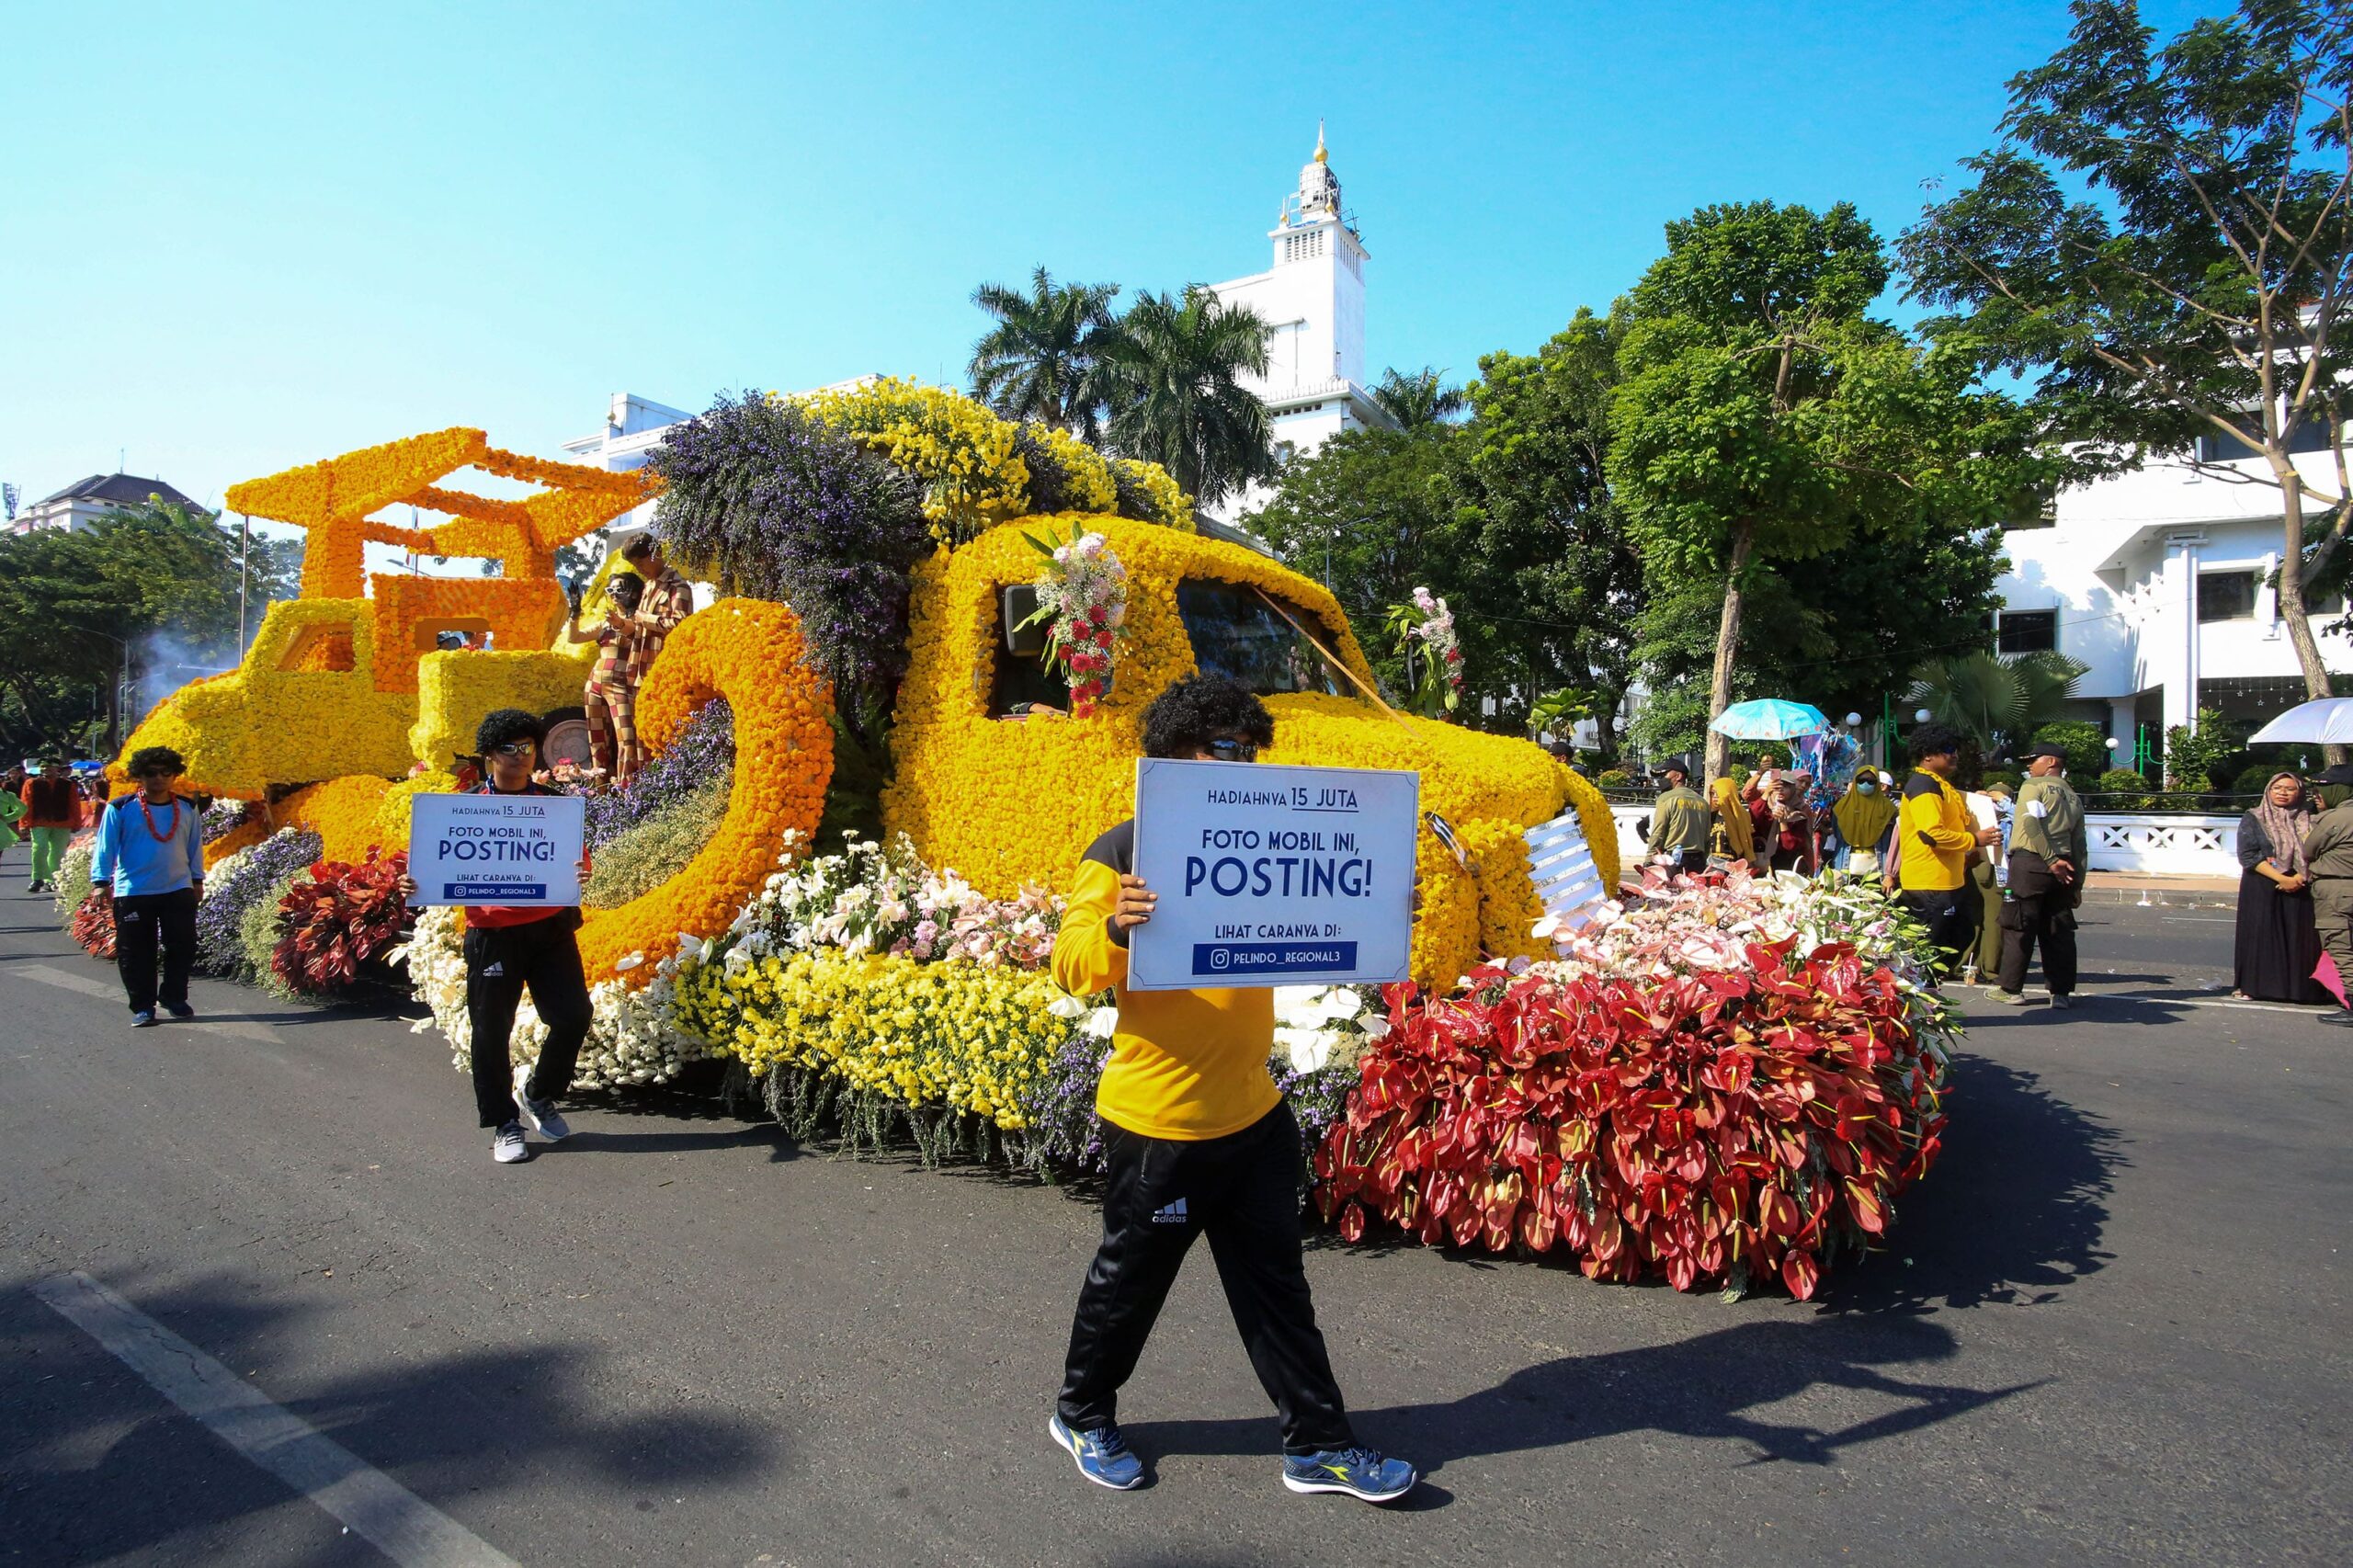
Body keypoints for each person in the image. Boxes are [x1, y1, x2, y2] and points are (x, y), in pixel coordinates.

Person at [1047, 674, 1415, 1504]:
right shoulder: (1122, 851)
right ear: (1176, 753)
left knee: (1277, 1287)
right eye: (1222, 747)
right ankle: (1082, 1412)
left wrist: (1381, 909)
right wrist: (1117, 928)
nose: (1239, 761)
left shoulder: (1269, 832)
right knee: (1129, 1286)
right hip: (1159, 1125)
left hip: (1253, 1113)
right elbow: (1070, 967)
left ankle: (1318, 1445)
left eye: (1248, 748)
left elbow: (1328, 913)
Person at [395, 710, 595, 1163]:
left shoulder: (554, 806)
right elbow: (430, 865)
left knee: (572, 1016)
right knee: (490, 1031)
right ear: (489, 755)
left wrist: (581, 870)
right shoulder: (460, 808)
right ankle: (505, 1123)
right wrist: (413, 883)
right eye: (511, 748)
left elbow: (574, 860)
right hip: (492, 934)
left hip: (551, 929)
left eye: (529, 747)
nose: (522, 757)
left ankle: (539, 1092)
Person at [91, 747, 205, 1028]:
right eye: (151, 773)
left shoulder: (188, 808)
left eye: (166, 773)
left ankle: (174, 997)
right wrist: (100, 882)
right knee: (136, 952)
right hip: (135, 891)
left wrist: (197, 880)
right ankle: (143, 1006)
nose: (159, 779)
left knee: (183, 946)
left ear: (175, 775)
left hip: (177, 889)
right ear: (139, 776)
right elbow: (105, 848)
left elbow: (195, 847)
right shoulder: (120, 808)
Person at [1897, 724, 2002, 981]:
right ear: (1927, 755)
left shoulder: (1940, 785)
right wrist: (1974, 839)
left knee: (1956, 939)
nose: (1953, 754)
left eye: (1955, 749)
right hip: (1929, 882)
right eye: (1946, 749)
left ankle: (1927, 1003)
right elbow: (1930, 833)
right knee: (1929, 953)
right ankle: (1921, 1007)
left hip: (1948, 880)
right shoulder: (1924, 785)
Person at [1995, 744, 2086, 1007]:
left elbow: (2031, 824)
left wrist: (2049, 859)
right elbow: (2080, 843)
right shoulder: (2072, 796)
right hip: (2065, 868)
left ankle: (2010, 989)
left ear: (2050, 761)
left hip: (2031, 862)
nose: (2029, 766)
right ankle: (2060, 993)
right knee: (2059, 929)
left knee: (2019, 925)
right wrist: (2077, 882)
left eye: (2033, 760)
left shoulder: (2033, 787)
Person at [2232, 770, 2329, 1005]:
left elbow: (2322, 850)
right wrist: (2281, 878)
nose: (2283, 793)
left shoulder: (2312, 818)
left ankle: (2301, 990)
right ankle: (2255, 986)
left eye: (2289, 788)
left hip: (2302, 885)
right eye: (2277, 788)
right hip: (2263, 886)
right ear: (2268, 791)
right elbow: (2248, 856)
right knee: (2261, 936)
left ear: (2300, 792)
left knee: (2302, 938)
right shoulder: (2254, 817)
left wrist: (2300, 876)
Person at [565, 573, 646, 781]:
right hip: (594, 685)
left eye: (621, 590)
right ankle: (601, 793)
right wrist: (574, 612)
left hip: (621, 685)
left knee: (627, 739)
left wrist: (618, 622)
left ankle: (627, 790)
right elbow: (574, 638)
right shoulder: (604, 623)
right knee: (597, 740)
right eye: (611, 591)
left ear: (635, 593)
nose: (615, 595)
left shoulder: (641, 620)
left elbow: (630, 630)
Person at [620, 534, 695, 685]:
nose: (639, 569)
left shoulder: (678, 586)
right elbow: (640, 627)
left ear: (658, 553)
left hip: (666, 672)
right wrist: (620, 623)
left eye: (641, 562)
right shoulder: (648, 586)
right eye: (635, 565)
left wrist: (645, 618)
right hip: (642, 674)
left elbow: (680, 627)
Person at [1965, 782, 2010, 982]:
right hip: (1981, 869)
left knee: (1988, 922)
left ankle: (1984, 967)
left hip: (1992, 870)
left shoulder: (2007, 819)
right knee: (1980, 920)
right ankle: (1975, 965)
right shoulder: (1984, 818)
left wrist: (2003, 802)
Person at [1644, 757, 1711, 874]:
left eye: (1665, 774)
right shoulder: (1702, 802)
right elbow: (1707, 837)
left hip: (1674, 859)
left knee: (1672, 891)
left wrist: (1649, 860)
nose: (1662, 779)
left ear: (1678, 776)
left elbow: (1658, 832)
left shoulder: (1666, 798)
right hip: (1698, 861)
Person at [22, 758, 80, 893]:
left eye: (49, 767)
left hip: (62, 822)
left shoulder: (68, 784)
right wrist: (24, 823)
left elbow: (74, 805)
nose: (45, 770)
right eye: (43, 767)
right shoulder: (31, 783)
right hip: (39, 822)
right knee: (39, 848)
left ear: (57, 769)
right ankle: (37, 878)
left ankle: (52, 880)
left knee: (57, 852)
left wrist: (77, 823)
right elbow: (26, 804)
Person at [1829, 770, 1897, 879]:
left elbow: (1895, 840)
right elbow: (1837, 833)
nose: (1865, 784)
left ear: (1877, 784)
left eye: (1871, 781)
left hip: (1878, 868)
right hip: (1845, 866)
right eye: (1861, 781)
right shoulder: (1842, 807)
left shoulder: (1888, 808)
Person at [1756, 772, 1820, 874]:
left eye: (1785, 787)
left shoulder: (1799, 814)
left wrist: (1783, 821)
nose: (1780, 790)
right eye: (1777, 787)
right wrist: (1766, 794)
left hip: (1786, 865)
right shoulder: (1764, 806)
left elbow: (1790, 845)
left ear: (1793, 790)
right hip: (1762, 863)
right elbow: (1754, 816)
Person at [1707, 775, 1757, 869]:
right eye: (1712, 794)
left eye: (1718, 793)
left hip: (1732, 866)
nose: (1715, 797)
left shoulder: (1740, 816)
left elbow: (1746, 843)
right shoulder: (1710, 816)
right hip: (1711, 865)